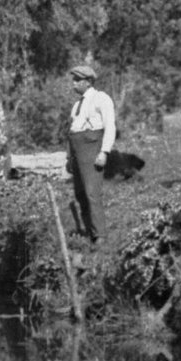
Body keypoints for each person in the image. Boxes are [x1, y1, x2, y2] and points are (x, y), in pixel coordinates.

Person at [65, 57, 115, 245]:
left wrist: (104, 152)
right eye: (74, 79)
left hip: (92, 149)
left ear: (88, 82)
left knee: (92, 192)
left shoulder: (101, 99)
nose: (74, 83)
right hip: (77, 152)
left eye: (77, 80)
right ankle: (89, 232)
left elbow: (110, 127)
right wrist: (69, 158)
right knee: (80, 193)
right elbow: (71, 132)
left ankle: (100, 235)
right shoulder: (76, 105)